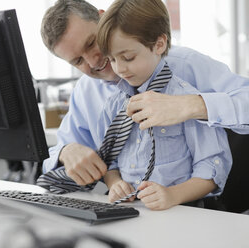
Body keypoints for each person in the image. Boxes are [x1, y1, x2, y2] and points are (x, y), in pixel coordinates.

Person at [40, 0, 249, 187]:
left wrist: (193, 105)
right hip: (129, 210)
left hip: (193, 211)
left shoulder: (184, 66)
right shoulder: (86, 91)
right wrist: (65, 151)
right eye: (77, 61)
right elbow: (54, 155)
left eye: (91, 43)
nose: (94, 61)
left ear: (103, 18)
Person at [92, 0, 232, 210]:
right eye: (111, 59)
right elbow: (109, 163)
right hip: (132, 211)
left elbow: (213, 167)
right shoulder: (114, 105)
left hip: (181, 210)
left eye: (128, 57)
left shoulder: (186, 100)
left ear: (159, 44)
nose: (119, 69)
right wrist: (115, 183)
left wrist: (172, 195)